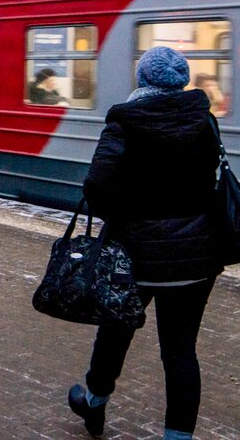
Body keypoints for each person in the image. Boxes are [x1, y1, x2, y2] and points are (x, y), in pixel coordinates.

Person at [68, 46, 223, 440]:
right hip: (195, 258)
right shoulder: (203, 121)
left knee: (115, 331)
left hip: (134, 255)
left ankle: (95, 405)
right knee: (180, 352)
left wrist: (124, 220)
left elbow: (96, 186)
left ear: (143, 80)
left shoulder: (124, 121)